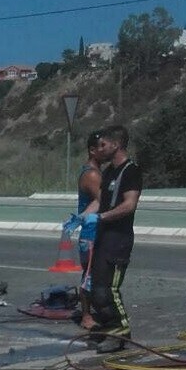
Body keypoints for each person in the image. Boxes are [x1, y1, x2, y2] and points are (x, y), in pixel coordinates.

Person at [79, 125, 143, 353]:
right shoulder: (108, 173)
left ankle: (121, 332)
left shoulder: (131, 171)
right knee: (96, 289)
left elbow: (129, 205)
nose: (100, 149)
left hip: (119, 238)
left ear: (115, 145)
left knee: (109, 289)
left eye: (104, 145)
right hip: (103, 237)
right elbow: (101, 201)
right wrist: (82, 218)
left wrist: (102, 217)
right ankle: (109, 330)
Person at [75, 132, 102, 331]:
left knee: (95, 273)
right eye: (101, 146)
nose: (105, 149)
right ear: (92, 150)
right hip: (91, 232)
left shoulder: (95, 171)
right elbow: (104, 200)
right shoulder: (92, 175)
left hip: (94, 230)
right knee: (90, 274)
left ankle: (92, 312)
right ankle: (86, 315)